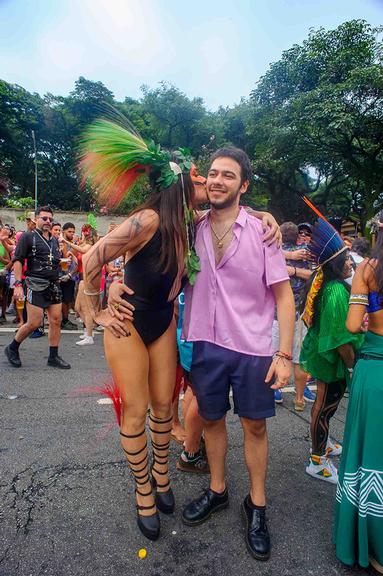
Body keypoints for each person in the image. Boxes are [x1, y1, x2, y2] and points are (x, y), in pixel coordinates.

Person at [79, 118, 280, 542]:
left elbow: (234, 210)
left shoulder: (195, 223)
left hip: (165, 320)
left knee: (164, 408)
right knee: (135, 410)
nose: (210, 182)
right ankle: (144, 492)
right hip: (129, 321)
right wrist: (97, 305)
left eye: (219, 177)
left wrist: (263, 214)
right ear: (180, 184)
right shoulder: (148, 219)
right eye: (201, 177)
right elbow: (91, 258)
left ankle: (163, 476)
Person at [181, 147, 295, 562]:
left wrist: (284, 354)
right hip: (207, 343)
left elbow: (284, 298)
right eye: (212, 173)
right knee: (210, 419)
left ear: (243, 185)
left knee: (255, 428)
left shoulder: (263, 233)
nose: (217, 180)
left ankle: (257, 505)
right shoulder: (190, 227)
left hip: (252, 349)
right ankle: (217, 490)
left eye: (228, 175)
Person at [333, 211, 383, 573]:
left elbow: (352, 324)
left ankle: (367, 543)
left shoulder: (368, 268)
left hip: (374, 367)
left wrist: (366, 315)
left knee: (369, 453)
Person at [300, 217, 364, 484]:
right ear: (336, 265)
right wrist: (351, 365)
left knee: (325, 406)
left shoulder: (332, 284)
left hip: (324, 355)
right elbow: (340, 340)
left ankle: (322, 447)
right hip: (330, 359)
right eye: (347, 259)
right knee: (324, 408)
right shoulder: (336, 290)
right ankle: (317, 461)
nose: (351, 263)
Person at [4, 206, 71, 369]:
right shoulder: (27, 237)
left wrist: (60, 263)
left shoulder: (54, 240)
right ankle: (12, 348)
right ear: (36, 219)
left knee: (56, 320)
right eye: (44, 218)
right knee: (34, 323)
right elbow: (18, 260)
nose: (48, 221)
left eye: (50, 219)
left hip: (53, 284)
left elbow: (52, 260)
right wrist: (18, 284)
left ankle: (53, 357)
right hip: (35, 283)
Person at [273, 222, 314, 409]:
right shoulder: (304, 251)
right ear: (297, 235)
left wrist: (293, 268)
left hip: (280, 311)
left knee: (276, 352)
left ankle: (277, 390)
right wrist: (291, 257)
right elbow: (314, 274)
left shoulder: (274, 250)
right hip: (299, 311)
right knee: (299, 357)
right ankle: (298, 398)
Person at [60, 222, 78, 331]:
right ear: (64, 231)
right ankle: (64, 320)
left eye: (73, 232)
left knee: (68, 299)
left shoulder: (71, 243)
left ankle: (65, 320)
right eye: (69, 231)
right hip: (62, 275)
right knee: (64, 299)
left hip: (70, 275)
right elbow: (67, 257)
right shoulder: (62, 243)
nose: (72, 234)